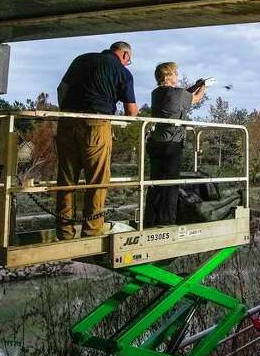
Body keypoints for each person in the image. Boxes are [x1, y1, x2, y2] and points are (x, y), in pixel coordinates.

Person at [55, 41, 138, 239]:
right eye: (129, 61)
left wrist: (67, 112)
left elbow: (61, 89)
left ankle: (64, 231)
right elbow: (132, 111)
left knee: (66, 179)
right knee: (97, 180)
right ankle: (91, 231)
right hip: (96, 125)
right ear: (125, 55)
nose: (127, 63)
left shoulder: (81, 59)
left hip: (67, 122)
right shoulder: (122, 72)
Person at [145, 62, 207, 226]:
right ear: (167, 76)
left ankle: (150, 219)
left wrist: (195, 85)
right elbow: (194, 99)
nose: (177, 76)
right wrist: (203, 87)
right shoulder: (178, 94)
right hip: (172, 144)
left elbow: (181, 94)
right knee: (171, 185)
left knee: (155, 183)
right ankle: (167, 221)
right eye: (175, 73)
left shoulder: (156, 93)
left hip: (157, 142)